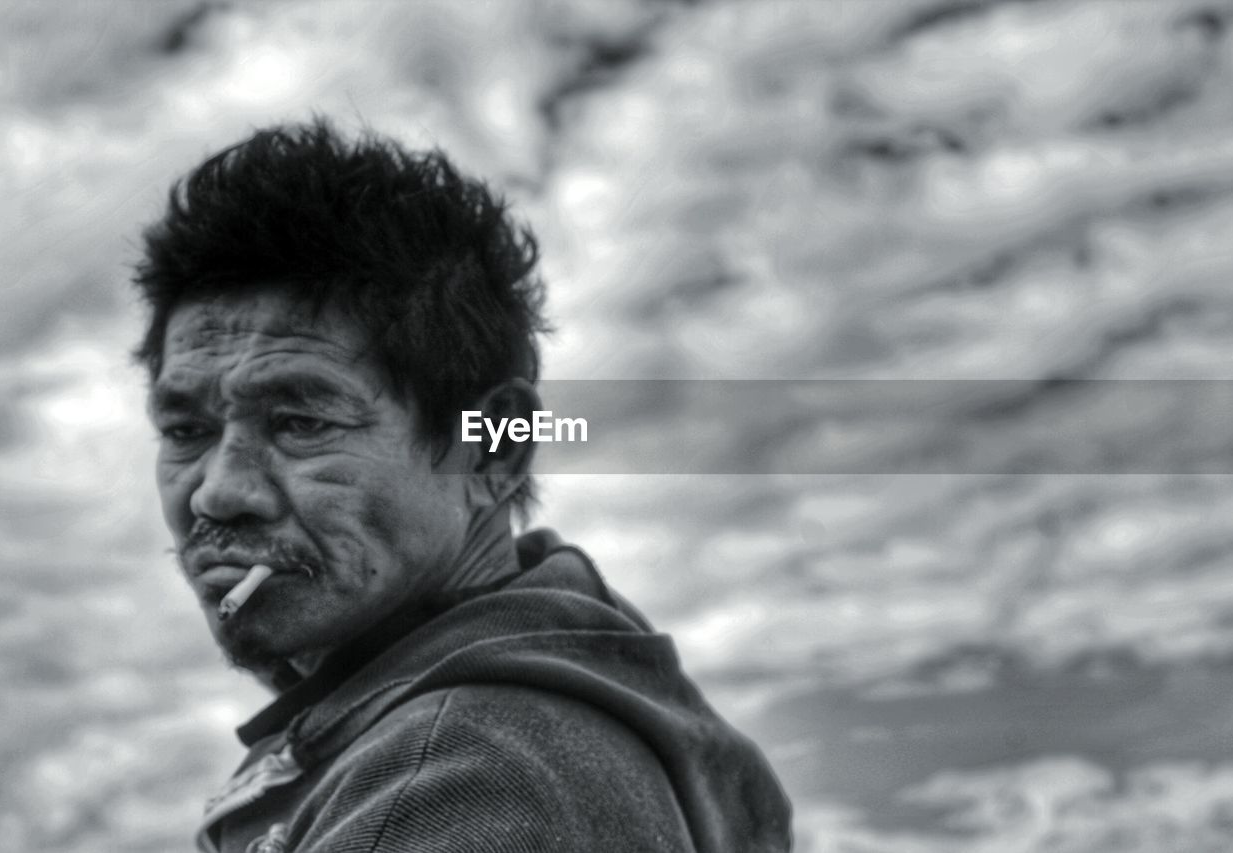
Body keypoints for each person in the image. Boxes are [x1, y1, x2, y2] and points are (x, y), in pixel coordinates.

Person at [132, 118, 792, 852]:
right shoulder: (534, 719)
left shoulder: (460, 776)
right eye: (186, 431)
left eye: (299, 421)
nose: (215, 494)